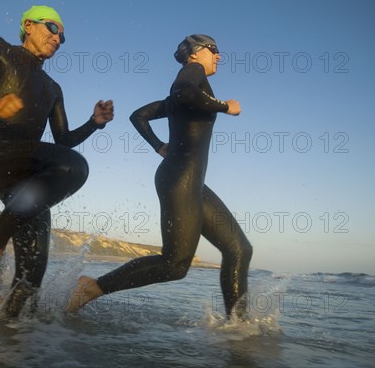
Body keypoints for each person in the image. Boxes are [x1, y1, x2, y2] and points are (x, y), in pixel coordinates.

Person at [0, 5, 114, 316]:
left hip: (23, 176)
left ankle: (8, 342)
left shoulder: (53, 88)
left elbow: (63, 141)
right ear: (28, 25)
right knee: (74, 167)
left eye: (63, 36)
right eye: (52, 28)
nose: (58, 38)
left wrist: (94, 122)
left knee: (32, 277)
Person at [67, 35, 253, 319]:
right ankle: (92, 287)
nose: (219, 56)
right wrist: (225, 106)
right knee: (175, 264)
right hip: (180, 178)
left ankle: (240, 329)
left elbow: (138, 115)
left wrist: (158, 146)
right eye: (214, 50)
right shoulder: (193, 72)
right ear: (195, 52)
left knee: (239, 249)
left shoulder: (186, 93)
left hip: (189, 181)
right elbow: (183, 91)